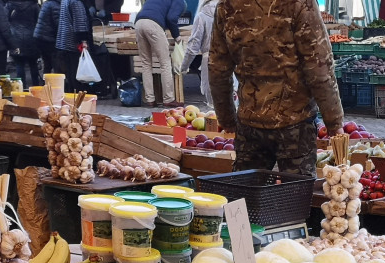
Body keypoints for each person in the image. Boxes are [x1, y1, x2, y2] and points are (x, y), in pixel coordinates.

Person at [210, 0, 343, 177]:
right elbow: (319, 66)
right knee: (296, 195)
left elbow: (217, 68)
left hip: (249, 121)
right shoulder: (299, 3)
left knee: (245, 195)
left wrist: (226, 118)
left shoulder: (227, 5)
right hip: (294, 123)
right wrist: (334, 122)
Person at [134, 0, 185, 108]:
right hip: (153, 24)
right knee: (165, 63)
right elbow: (171, 18)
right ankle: (168, 99)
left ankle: (150, 100)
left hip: (139, 23)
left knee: (146, 64)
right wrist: (177, 36)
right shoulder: (180, 2)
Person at [180, 0, 218, 108]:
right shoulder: (231, 14)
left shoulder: (202, 16)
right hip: (230, 62)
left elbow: (193, 46)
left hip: (210, 60)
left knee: (213, 105)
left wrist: (184, 66)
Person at [56, 0, 91, 91]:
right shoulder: (76, 2)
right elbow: (80, 23)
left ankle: (72, 93)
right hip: (73, 41)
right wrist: (83, 40)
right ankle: (77, 94)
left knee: (70, 70)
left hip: (64, 39)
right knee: (76, 71)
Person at [8, 0, 41, 88]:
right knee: (33, 64)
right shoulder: (34, 5)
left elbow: (6, 19)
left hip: (16, 38)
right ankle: (36, 86)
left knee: (19, 64)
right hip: (31, 37)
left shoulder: (11, 5)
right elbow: (38, 21)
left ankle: (21, 87)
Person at [33, 0, 61, 75]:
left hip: (40, 37)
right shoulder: (55, 5)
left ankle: (46, 82)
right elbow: (58, 24)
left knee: (47, 63)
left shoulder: (47, 3)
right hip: (48, 38)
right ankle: (56, 82)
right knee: (55, 63)